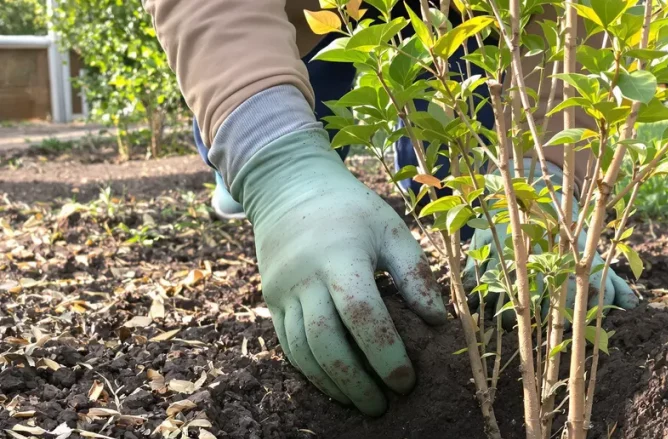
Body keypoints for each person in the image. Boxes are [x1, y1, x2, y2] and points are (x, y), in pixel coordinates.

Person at [143, 0, 638, 416]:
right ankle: (241, 157)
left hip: (464, 15)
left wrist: (544, 174)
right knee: (299, 87)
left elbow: (570, 23)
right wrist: (274, 161)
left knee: (453, 169)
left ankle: (427, 159)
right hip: (310, 14)